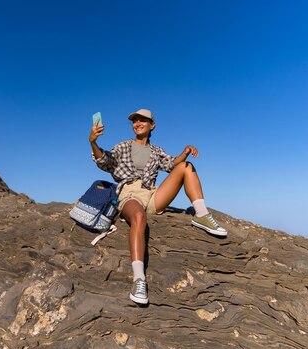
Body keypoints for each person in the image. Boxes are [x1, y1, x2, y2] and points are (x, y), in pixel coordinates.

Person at [89, 109, 227, 305]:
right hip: (130, 193)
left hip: (152, 195)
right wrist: (93, 142)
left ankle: (202, 215)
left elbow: (172, 164)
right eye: (134, 120)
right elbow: (105, 161)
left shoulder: (156, 151)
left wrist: (185, 152)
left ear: (152, 125)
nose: (137, 123)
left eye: (142, 120)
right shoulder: (123, 146)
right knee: (138, 218)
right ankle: (139, 280)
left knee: (186, 167)